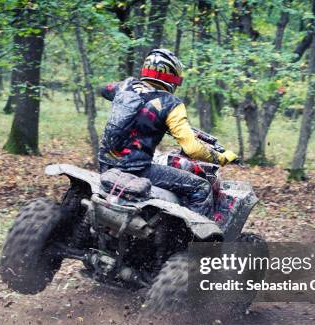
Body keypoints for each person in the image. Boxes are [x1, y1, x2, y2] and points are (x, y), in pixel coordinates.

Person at [98, 48, 238, 218]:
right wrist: (221, 158)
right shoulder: (171, 103)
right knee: (202, 188)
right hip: (137, 170)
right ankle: (191, 241)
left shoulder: (125, 86)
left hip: (106, 163)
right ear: (172, 75)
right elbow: (193, 149)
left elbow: (104, 89)